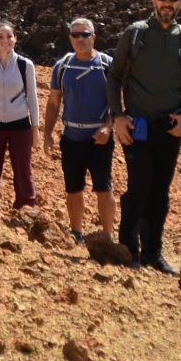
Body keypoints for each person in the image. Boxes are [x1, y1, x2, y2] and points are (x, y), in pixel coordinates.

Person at [106, 0, 181, 274]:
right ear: (152, 0)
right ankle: (128, 249)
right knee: (138, 188)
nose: (167, 3)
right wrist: (118, 117)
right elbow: (114, 76)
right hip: (138, 128)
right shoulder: (136, 34)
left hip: (170, 130)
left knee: (160, 192)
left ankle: (153, 252)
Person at [42, 17, 116, 245]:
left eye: (85, 34)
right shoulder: (62, 67)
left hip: (99, 138)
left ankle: (108, 236)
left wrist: (108, 127)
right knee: (73, 188)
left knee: (103, 188)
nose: (80, 39)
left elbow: (119, 102)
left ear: (93, 37)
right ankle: (76, 233)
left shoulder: (107, 65)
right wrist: (47, 134)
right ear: (70, 38)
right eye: (76, 35)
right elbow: (54, 103)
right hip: (72, 137)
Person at [0, 21, 40, 208]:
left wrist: (35, 128)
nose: (5, 41)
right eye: (1, 37)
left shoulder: (24, 65)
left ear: (15, 38)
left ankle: (26, 206)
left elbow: (32, 98)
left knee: (22, 168)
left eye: (9, 36)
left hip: (19, 124)